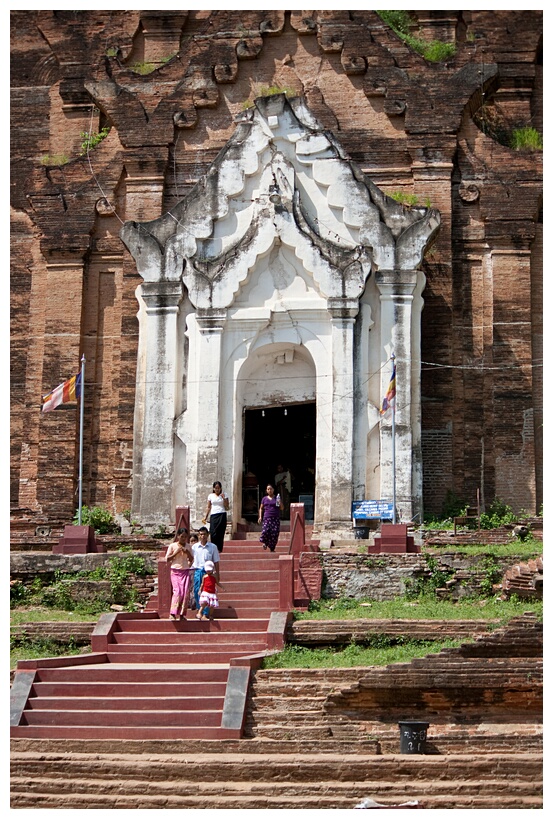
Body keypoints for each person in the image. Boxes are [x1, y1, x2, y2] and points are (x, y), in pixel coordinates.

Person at [165, 527, 194, 621]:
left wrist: (187, 552)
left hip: (185, 570)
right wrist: (176, 553)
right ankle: (172, 613)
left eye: (185, 537)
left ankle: (182, 614)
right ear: (178, 536)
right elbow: (167, 559)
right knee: (177, 592)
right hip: (175, 571)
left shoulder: (188, 546)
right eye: (182, 537)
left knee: (185, 593)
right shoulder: (173, 546)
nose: (183, 539)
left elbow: (191, 559)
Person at [191, 526, 220, 616]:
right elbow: (190, 559)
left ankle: (205, 613)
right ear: (199, 536)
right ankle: (200, 610)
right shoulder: (195, 547)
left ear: (207, 535)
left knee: (208, 592)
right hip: (197, 571)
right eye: (201, 534)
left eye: (204, 534)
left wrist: (217, 574)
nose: (202, 536)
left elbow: (216, 561)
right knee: (197, 591)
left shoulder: (213, 547)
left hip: (208, 573)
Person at [202, 480, 229, 552]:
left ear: (220, 488)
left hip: (222, 514)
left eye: (218, 488)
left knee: (220, 532)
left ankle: (219, 549)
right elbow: (208, 507)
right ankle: (213, 547)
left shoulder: (224, 494)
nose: (217, 489)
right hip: (213, 515)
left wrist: (224, 499)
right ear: (213, 488)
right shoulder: (210, 496)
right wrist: (205, 517)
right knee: (213, 532)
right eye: (216, 488)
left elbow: (227, 507)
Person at [258, 484, 284, 552]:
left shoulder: (276, 498)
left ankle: (272, 548)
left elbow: (281, 508)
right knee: (266, 531)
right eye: (268, 489)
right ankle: (265, 542)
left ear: (273, 490)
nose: (270, 490)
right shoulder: (264, 499)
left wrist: (280, 502)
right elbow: (261, 508)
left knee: (274, 533)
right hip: (267, 517)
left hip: (275, 518)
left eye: (271, 489)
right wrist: (260, 517)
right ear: (266, 490)